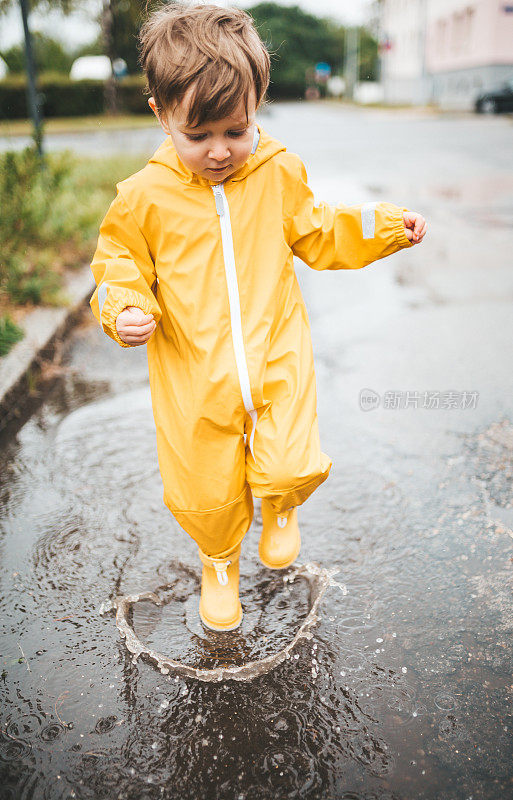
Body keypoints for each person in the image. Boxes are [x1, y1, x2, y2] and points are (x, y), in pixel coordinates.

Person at [89, 3, 427, 633]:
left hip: (276, 354)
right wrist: (126, 306)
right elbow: (118, 264)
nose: (220, 151)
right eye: (199, 135)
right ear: (162, 115)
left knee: (292, 460)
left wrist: (385, 228)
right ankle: (219, 563)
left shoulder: (276, 172)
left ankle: (280, 501)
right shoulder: (142, 198)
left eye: (235, 131)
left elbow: (322, 230)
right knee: (204, 488)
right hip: (194, 374)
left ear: (257, 106)